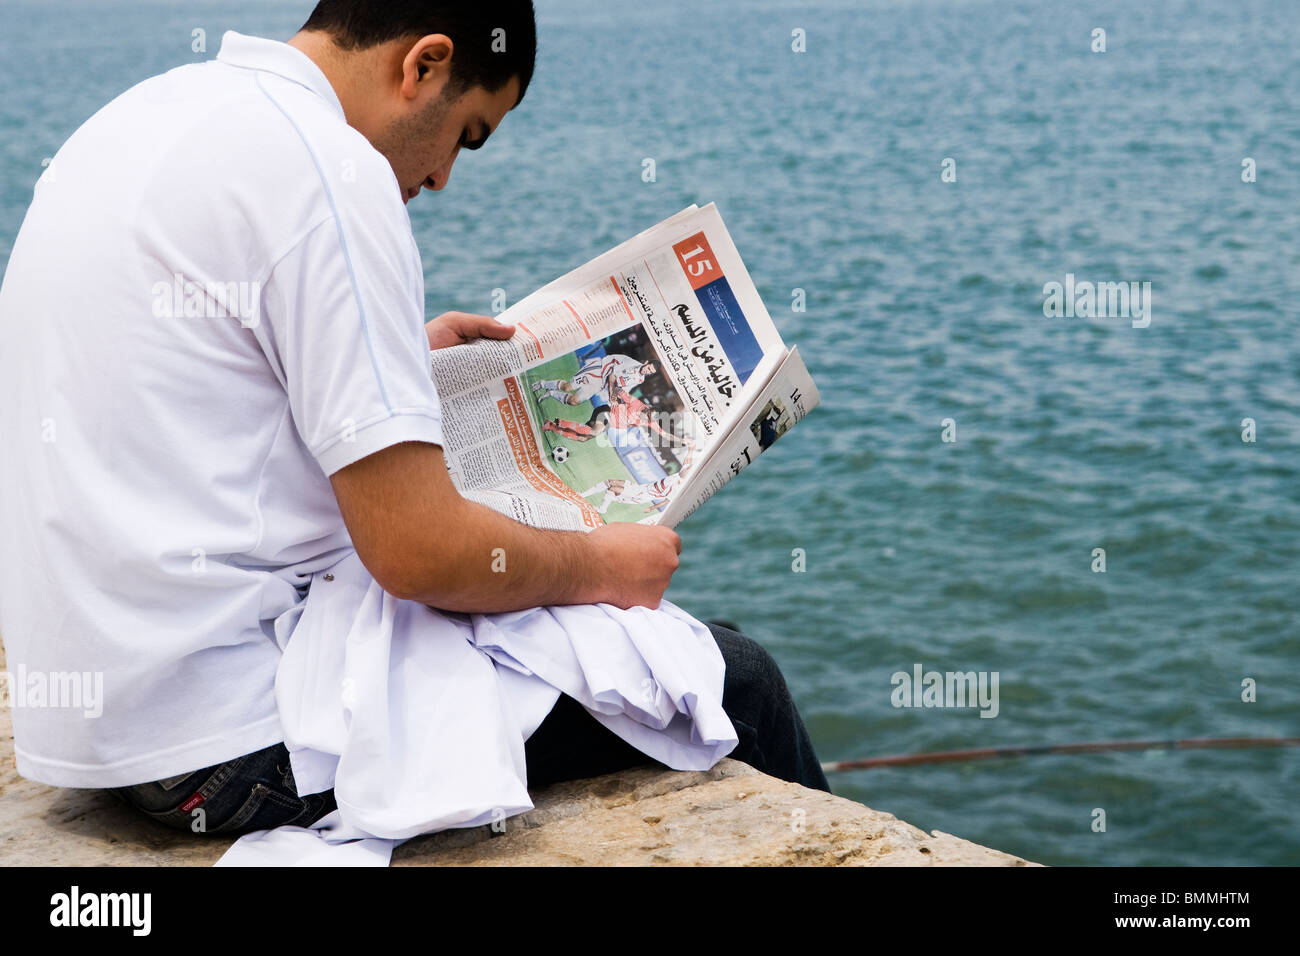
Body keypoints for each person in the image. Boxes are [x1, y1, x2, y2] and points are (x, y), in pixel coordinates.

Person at [0, 0, 829, 839]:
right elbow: (418, 553)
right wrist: (598, 566)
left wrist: (392, 364)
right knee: (733, 682)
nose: (440, 179)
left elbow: (185, 382)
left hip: (102, 726)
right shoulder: (332, 173)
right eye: (465, 136)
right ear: (423, 65)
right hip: (224, 751)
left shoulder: (146, 116)